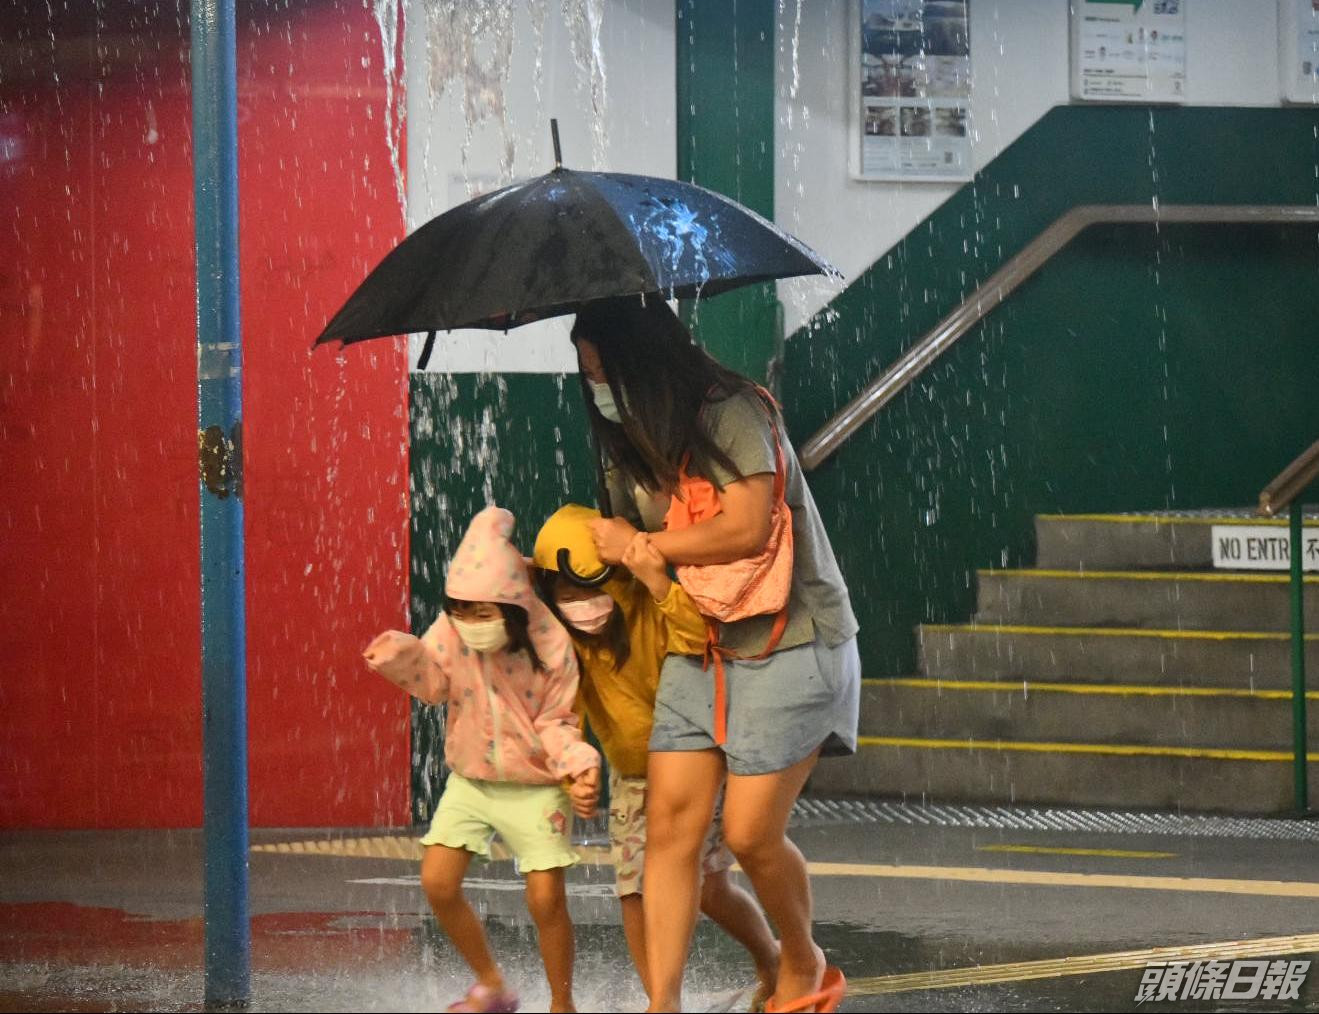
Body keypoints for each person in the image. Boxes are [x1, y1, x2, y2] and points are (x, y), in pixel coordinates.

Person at [572, 297, 860, 1014]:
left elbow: (744, 525)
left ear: (644, 359)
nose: (598, 386)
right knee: (667, 831)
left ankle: (805, 960)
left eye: (605, 369)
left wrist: (647, 547)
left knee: (749, 834)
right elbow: (624, 548)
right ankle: (661, 1004)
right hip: (696, 646)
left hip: (792, 641)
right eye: (587, 374)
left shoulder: (730, 408)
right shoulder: (628, 443)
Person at [532, 504, 780, 1007]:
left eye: (592, 591)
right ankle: (661, 1000)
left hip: (693, 767)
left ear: (619, 582)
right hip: (629, 779)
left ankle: (770, 956)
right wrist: (572, 768)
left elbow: (695, 637)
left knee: (708, 887)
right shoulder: (568, 646)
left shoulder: (651, 611)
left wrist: (658, 582)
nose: (583, 606)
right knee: (634, 892)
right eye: (567, 596)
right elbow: (562, 714)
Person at [363, 506, 601, 1014]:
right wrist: (401, 658)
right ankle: (493, 984)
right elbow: (435, 683)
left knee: (545, 900)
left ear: (513, 605)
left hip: (538, 784)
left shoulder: (551, 643)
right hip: (472, 782)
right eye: (461, 610)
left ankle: (563, 1003)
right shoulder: (451, 630)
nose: (470, 623)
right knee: (438, 881)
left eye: (483, 612)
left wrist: (577, 766)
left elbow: (558, 719)